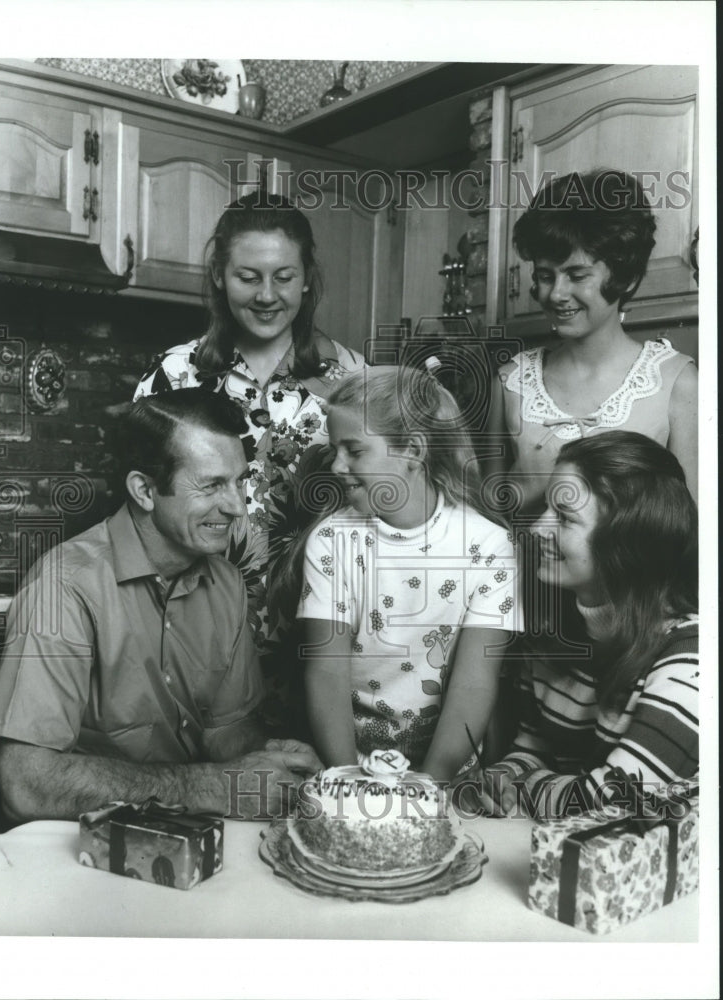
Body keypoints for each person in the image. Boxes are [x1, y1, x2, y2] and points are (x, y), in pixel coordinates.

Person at [0, 390, 321, 823]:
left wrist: (272, 761)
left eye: (239, 480)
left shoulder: (226, 582)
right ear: (144, 490)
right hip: (80, 849)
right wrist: (211, 785)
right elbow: (25, 785)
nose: (237, 506)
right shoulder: (63, 588)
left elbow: (226, 731)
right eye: (212, 485)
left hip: (187, 835)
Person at [134, 190, 365, 733]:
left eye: (283, 277)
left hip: (314, 646)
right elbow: (142, 518)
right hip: (191, 640)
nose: (267, 295)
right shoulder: (173, 375)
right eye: (248, 276)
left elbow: (373, 511)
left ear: (307, 278)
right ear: (219, 275)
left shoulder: (352, 379)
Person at [295, 366, 522, 783]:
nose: (338, 467)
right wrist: (345, 776)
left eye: (354, 450)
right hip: (347, 762)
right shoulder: (331, 540)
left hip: (449, 771)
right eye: (334, 451)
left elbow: (475, 682)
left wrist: (431, 783)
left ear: (413, 450)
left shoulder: (489, 546)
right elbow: (326, 671)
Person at [464, 431, 698, 820]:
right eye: (545, 509)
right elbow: (533, 749)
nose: (538, 529)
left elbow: (615, 802)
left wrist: (527, 785)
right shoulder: (554, 633)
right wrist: (502, 778)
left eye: (565, 518)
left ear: (628, 542)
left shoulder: (691, 660)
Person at [485, 169, 698, 516]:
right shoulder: (511, 380)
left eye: (577, 275)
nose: (555, 293)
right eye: (544, 275)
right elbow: (487, 518)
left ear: (625, 277)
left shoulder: (678, 382)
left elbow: (693, 526)